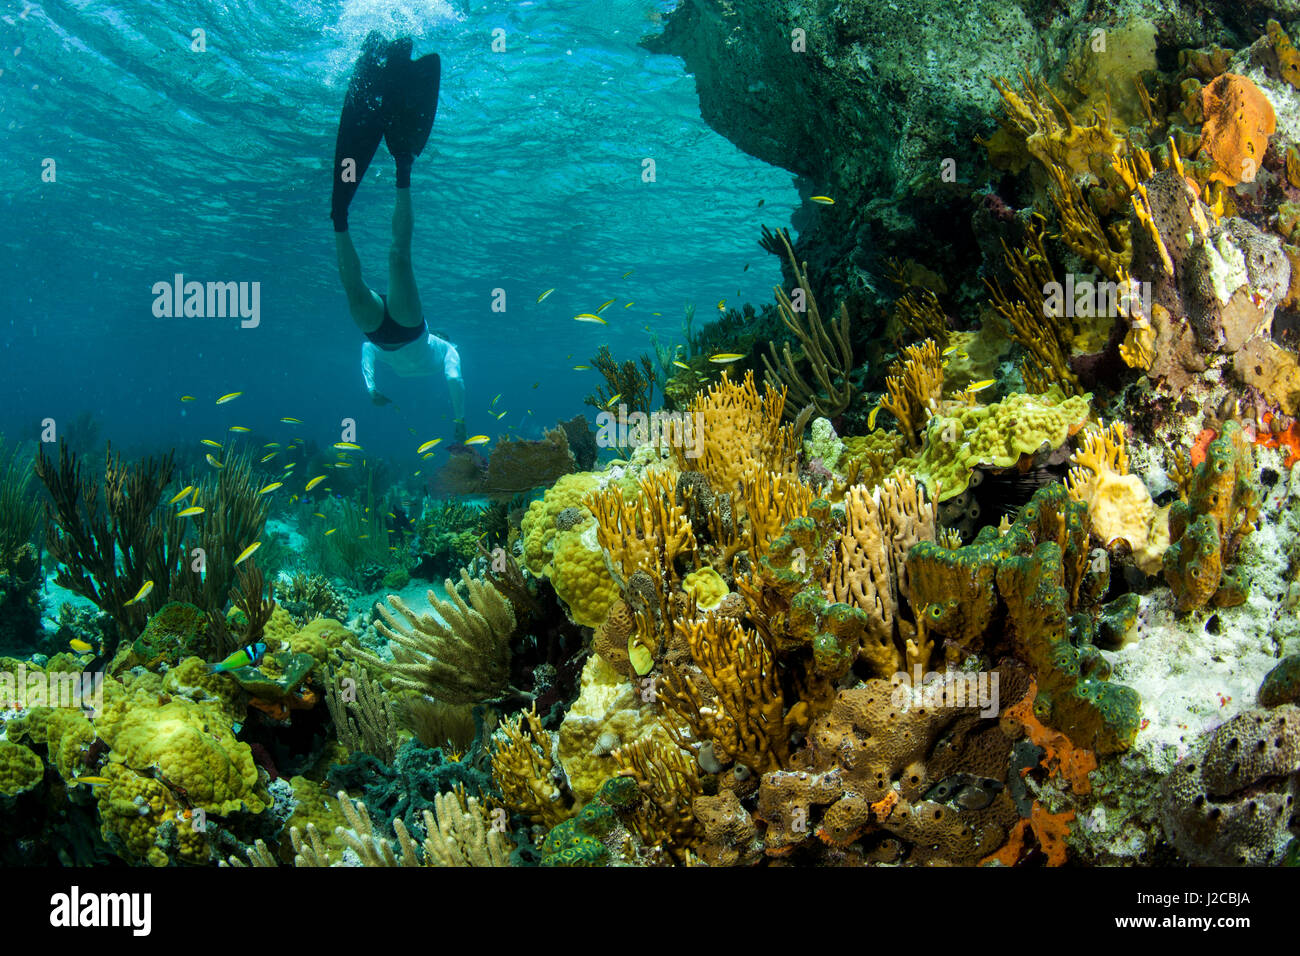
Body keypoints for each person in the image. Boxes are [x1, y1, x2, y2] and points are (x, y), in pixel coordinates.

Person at [331, 31, 466, 442]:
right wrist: (460, 423)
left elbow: (366, 354)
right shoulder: (447, 349)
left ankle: (338, 215)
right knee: (398, 257)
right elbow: (455, 381)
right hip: (410, 329)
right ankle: (402, 165)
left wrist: (371, 389)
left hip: (380, 335)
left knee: (356, 287)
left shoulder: (430, 347)